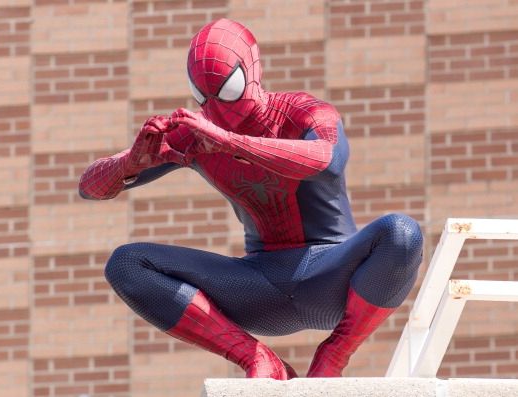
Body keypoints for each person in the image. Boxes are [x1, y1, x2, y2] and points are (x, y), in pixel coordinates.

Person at [79, 18, 423, 379]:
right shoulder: (197, 134)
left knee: (401, 232)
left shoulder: (302, 111)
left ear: (251, 71)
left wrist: (231, 143)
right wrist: (127, 165)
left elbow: (326, 158)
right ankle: (257, 358)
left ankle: (335, 355)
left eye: (228, 90)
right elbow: (89, 188)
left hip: (332, 276)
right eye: (204, 97)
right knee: (126, 264)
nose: (219, 109)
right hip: (259, 287)